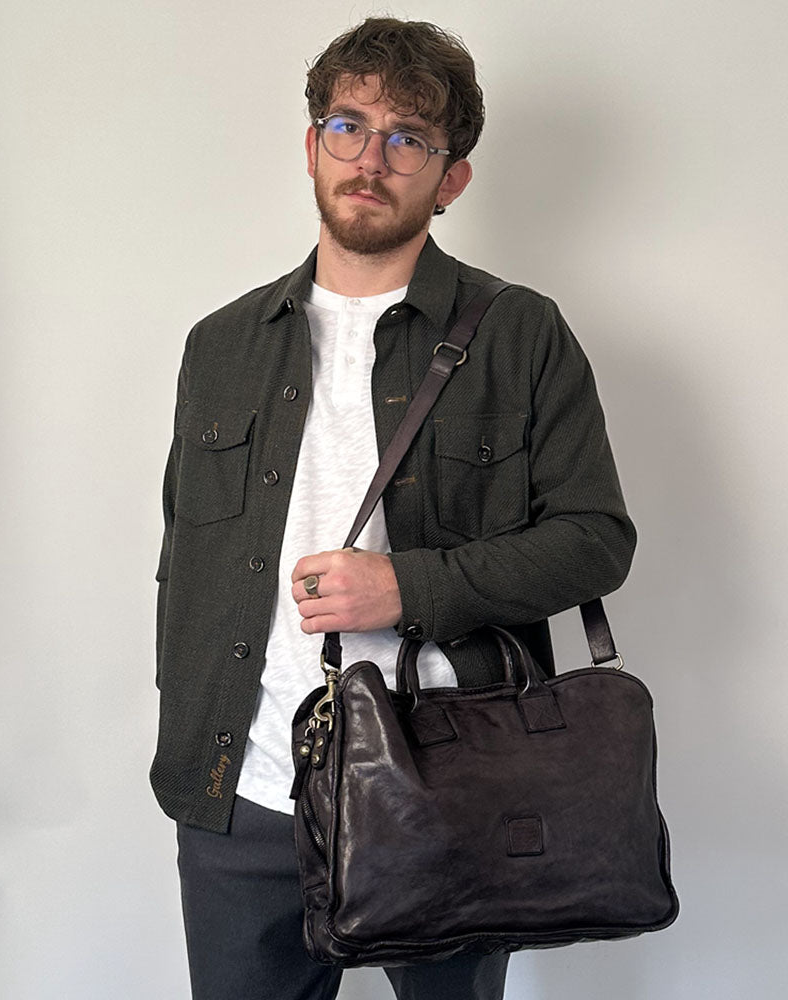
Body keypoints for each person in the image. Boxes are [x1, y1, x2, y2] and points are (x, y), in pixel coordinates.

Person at [150, 16, 636, 1000]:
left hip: (452, 789)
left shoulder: (520, 333)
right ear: (311, 145)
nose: (370, 159)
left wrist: (406, 588)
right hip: (244, 795)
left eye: (408, 138)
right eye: (348, 126)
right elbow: (183, 561)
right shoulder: (221, 344)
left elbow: (595, 541)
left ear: (450, 178)